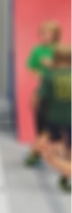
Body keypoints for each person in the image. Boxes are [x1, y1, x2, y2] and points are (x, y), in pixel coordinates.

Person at [24, 21, 63, 166]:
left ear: (55, 35)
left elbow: (65, 69)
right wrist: (41, 76)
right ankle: (38, 153)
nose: (46, 36)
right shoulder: (37, 50)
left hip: (59, 94)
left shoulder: (61, 50)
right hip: (44, 92)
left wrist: (51, 66)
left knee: (57, 130)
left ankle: (55, 157)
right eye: (43, 33)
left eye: (49, 34)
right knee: (42, 125)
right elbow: (31, 68)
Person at [35, 44, 71, 191]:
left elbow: (43, 96)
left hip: (55, 116)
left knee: (56, 142)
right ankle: (66, 174)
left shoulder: (49, 75)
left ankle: (59, 166)